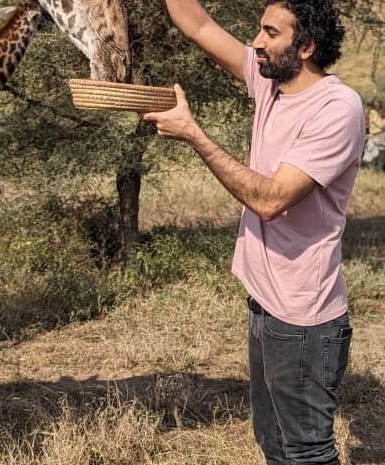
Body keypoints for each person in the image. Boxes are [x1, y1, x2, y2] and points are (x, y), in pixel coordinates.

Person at [143, 1, 365, 464]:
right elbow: (197, 23)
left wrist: (195, 135)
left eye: (269, 33)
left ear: (305, 46)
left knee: (307, 451)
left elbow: (271, 200)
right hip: (265, 302)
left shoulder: (336, 109)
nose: (256, 43)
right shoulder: (271, 84)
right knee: (272, 442)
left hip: (303, 318)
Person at [362, 98, 385, 169]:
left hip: (378, 134)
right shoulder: (373, 113)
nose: (378, 106)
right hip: (376, 135)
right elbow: (381, 125)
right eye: (377, 104)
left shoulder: (375, 113)